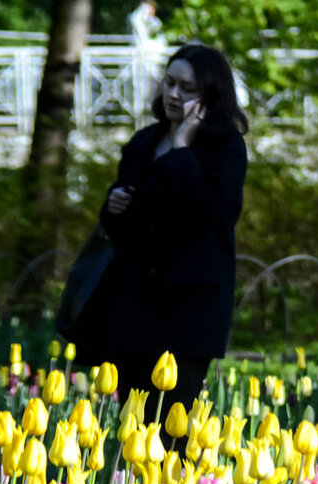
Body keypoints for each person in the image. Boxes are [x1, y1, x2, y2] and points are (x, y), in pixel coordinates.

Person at [85, 43, 248, 416]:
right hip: (134, 304)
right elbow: (120, 225)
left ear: (210, 94)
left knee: (172, 428)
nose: (173, 94)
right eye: (169, 83)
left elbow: (215, 213)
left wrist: (181, 148)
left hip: (189, 310)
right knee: (132, 422)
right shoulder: (144, 142)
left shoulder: (225, 147)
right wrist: (113, 207)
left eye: (186, 88)